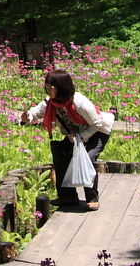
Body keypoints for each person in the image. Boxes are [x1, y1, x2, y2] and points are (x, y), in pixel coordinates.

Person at [20, 69, 114, 211]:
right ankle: (67, 197)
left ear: (62, 87)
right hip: (75, 135)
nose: (48, 89)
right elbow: (36, 112)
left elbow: (97, 123)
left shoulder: (79, 102)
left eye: (51, 87)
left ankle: (92, 198)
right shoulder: (51, 102)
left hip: (97, 131)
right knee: (60, 154)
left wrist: (80, 138)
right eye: (47, 86)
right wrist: (28, 116)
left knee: (88, 158)